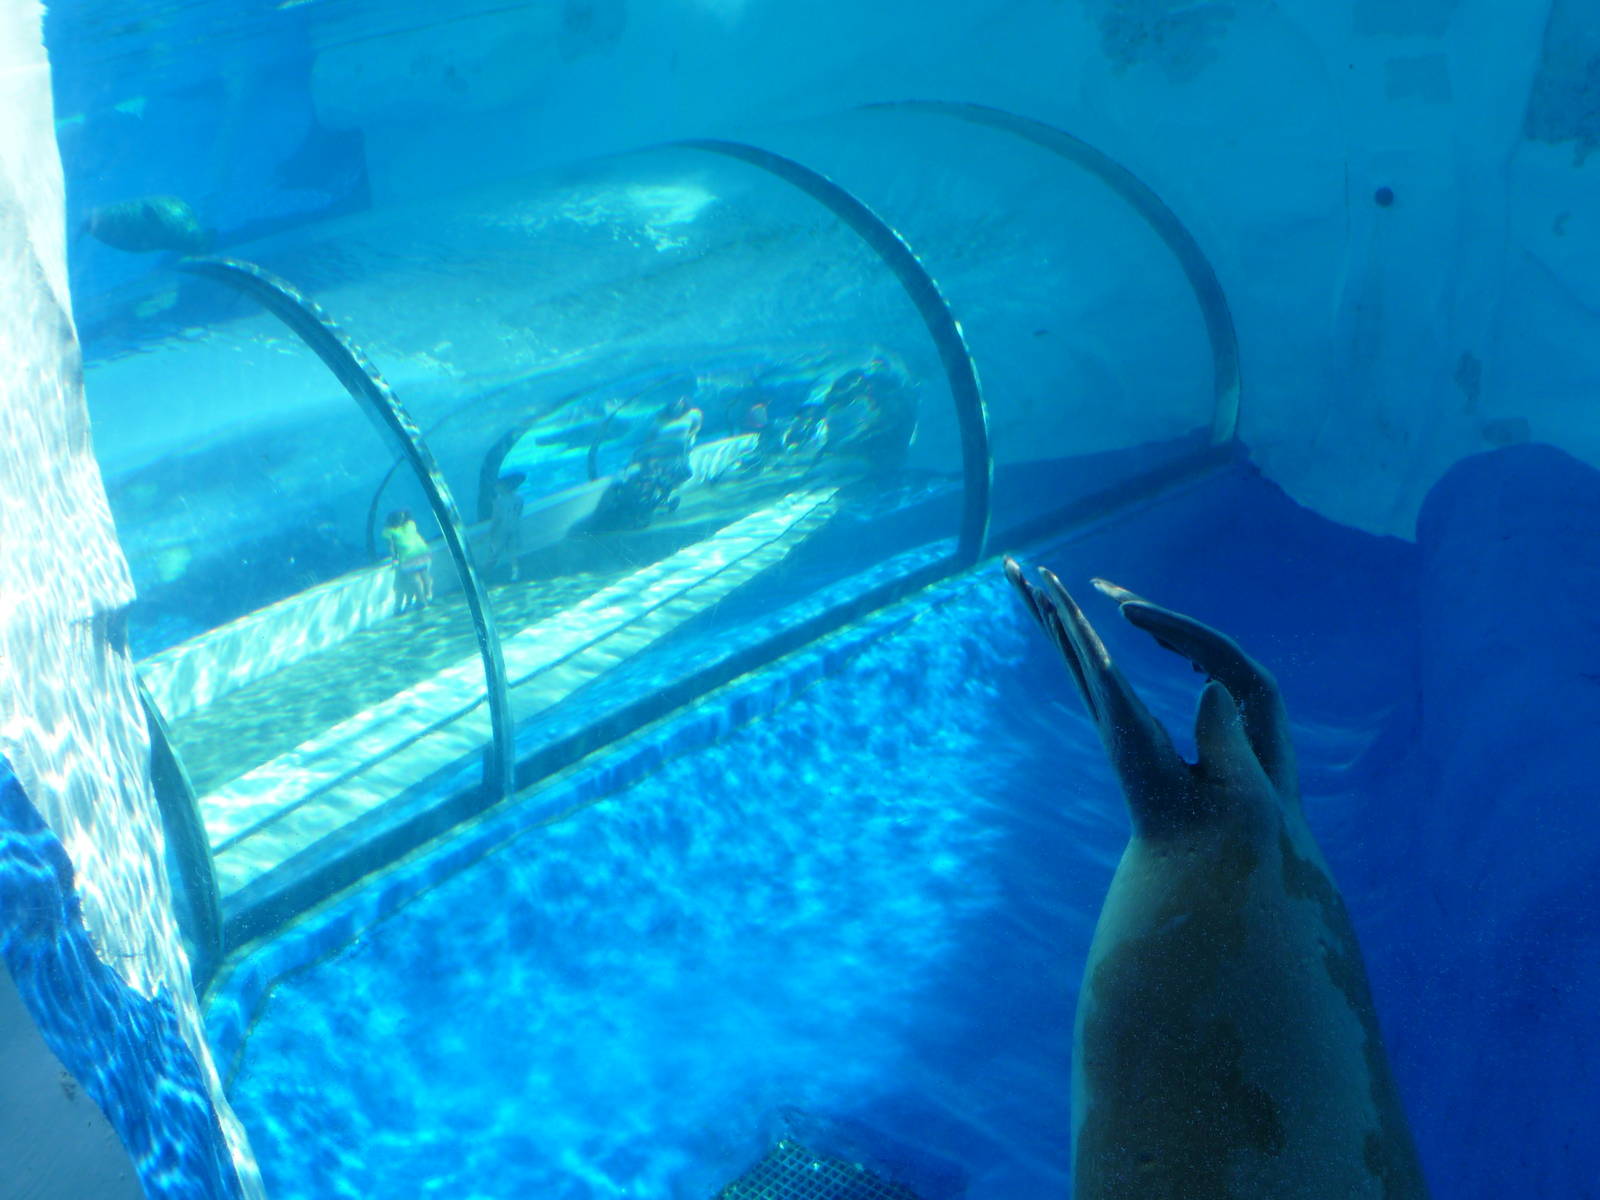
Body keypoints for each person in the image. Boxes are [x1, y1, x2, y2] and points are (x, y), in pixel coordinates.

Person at [382, 509, 433, 614]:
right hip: (423, 552)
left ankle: (421, 600)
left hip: (408, 557)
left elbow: (391, 547)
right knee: (424, 573)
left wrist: (394, 559)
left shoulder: (388, 531)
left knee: (415, 579)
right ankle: (428, 594)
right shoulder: (410, 524)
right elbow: (408, 516)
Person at [487, 473, 526, 582]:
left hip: (502, 530)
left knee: (495, 553)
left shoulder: (498, 502)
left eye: (498, 485)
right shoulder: (519, 498)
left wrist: (491, 532)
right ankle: (516, 574)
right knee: (513, 553)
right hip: (514, 528)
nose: (496, 487)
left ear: (504, 486)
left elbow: (496, 519)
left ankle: (486, 573)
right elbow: (519, 512)